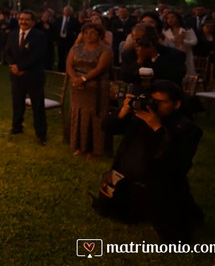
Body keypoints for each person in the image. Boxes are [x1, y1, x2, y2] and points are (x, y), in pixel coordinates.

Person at [99, 80, 203, 243]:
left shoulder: (186, 128)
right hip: (126, 183)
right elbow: (108, 128)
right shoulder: (140, 116)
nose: (156, 106)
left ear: (177, 104)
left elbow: (176, 165)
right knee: (110, 210)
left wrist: (157, 128)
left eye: (162, 102)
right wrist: (124, 110)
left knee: (176, 238)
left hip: (160, 188)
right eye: (154, 101)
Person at [67, 22, 113, 158]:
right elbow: (69, 65)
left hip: (96, 88)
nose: (89, 35)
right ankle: (80, 146)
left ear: (100, 34)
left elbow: (100, 68)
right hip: (77, 88)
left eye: (93, 32)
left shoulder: (105, 50)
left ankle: (95, 149)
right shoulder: (76, 48)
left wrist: (84, 79)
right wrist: (75, 79)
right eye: (86, 33)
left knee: (95, 117)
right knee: (79, 115)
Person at [3, 10, 48, 145]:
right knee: (17, 104)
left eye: (27, 19)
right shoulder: (13, 34)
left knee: (38, 106)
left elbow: (38, 56)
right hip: (16, 77)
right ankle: (17, 127)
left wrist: (21, 67)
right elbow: (7, 52)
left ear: (33, 22)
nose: (23, 21)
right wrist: (12, 66)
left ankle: (41, 134)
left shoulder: (39, 36)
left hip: (33, 76)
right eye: (21, 19)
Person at [120, 24, 186, 87]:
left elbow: (176, 76)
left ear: (152, 39)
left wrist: (155, 57)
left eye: (139, 40)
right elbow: (125, 78)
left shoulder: (175, 54)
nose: (136, 43)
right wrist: (139, 61)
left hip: (164, 93)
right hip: (138, 93)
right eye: (134, 39)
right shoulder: (129, 54)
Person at [162, 10, 197, 75]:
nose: (170, 20)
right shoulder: (165, 31)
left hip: (185, 55)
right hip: (171, 56)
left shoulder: (187, 29)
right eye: (168, 18)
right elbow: (164, 44)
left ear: (178, 18)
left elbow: (194, 41)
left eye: (172, 17)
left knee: (187, 74)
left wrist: (183, 41)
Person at [55, 6, 80, 72]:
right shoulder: (59, 20)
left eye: (68, 11)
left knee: (69, 55)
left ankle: (68, 69)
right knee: (61, 55)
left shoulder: (74, 21)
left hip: (69, 41)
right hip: (60, 40)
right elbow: (55, 29)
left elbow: (77, 30)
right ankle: (60, 69)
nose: (67, 12)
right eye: (66, 10)